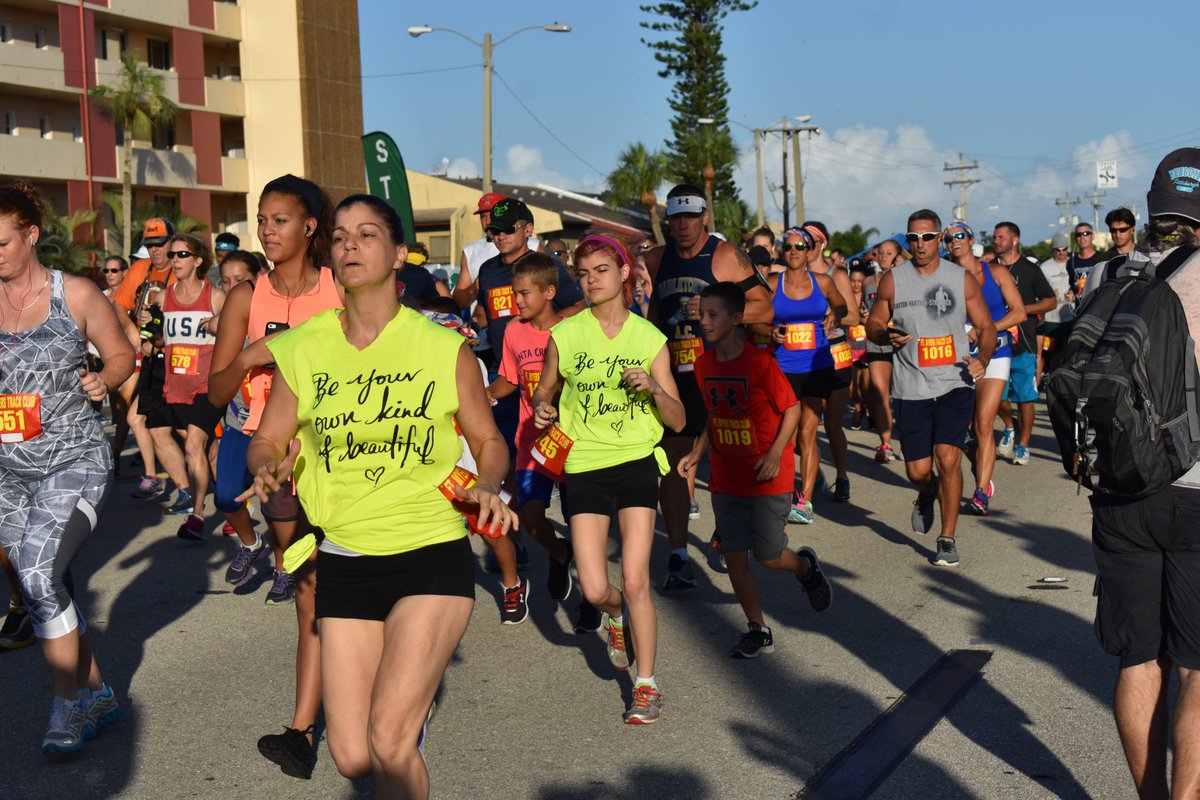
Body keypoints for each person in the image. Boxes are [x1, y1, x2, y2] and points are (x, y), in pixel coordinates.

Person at [242, 192, 517, 797]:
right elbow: (266, 440)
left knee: (389, 738)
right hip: (344, 555)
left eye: (366, 235)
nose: (348, 246)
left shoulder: (442, 347)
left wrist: (490, 485)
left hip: (429, 550)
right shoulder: (303, 347)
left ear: (398, 255)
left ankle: (404, 738)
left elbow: (488, 441)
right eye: (339, 237)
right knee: (353, 756)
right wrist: (266, 469)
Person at [208, 174, 340, 778]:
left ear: (309, 227)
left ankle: (360, 694)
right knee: (309, 589)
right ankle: (303, 729)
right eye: (261, 219)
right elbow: (215, 391)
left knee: (358, 582)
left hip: (344, 457)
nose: (266, 230)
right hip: (274, 465)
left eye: (279, 219)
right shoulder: (245, 298)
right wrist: (252, 356)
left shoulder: (343, 287)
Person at [0, 180, 135, 751]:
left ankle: (67, 709)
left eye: (1, 242)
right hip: (9, 466)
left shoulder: (74, 294)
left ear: (29, 236)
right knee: (44, 586)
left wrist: (101, 378)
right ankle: (99, 694)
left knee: (36, 575)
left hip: (74, 458)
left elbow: (124, 352)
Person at [1084, 147, 1200, 799]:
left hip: (1122, 490)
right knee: (1198, 668)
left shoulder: (1111, 276)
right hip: (1195, 491)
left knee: (1139, 659)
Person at [532, 233, 685, 724]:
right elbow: (544, 389)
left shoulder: (649, 338)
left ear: (624, 274)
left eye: (601, 270)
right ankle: (615, 618)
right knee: (596, 589)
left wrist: (655, 387)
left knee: (636, 579)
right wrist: (542, 407)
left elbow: (679, 420)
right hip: (584, 466)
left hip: (638, 460)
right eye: (584, 272)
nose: (591, 280)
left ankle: (646, 685)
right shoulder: (566, 334)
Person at [679, 282, 832, 659]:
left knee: (767, 555)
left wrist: (775, 452)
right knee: (734, 555)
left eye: (713, 315)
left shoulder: (761, 364)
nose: (705, 322)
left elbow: (792, 409)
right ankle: (757, 628)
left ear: (736, 318)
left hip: (768, 476)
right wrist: (697, 452)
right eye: (702, 315)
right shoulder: (703, 364)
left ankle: (804, 568)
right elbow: (715, 417)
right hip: (726, 476)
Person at [645, 183, 772, 590]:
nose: (682, 226)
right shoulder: (657, 258)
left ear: (704, 217)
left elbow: (765, 307)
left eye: (690, 217)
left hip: (720, 371)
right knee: (677, 460)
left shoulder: (725, 256)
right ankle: (679, 555)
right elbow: (651, 316)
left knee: (728, 460)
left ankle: (726, 531)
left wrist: (716, 311)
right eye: (675, 218)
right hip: (675, 375)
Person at [865, 210, 995, 566]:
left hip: (954, 383)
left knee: (948, 458)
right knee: (918, 471)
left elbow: (986, 327)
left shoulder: (961, 278)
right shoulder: (893, 280)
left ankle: (947, 537)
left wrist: (981, 357)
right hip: (910, 387)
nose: (919, 244)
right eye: (913, 238)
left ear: (939, 238)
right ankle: (926, 493)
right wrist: (883, 334)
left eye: (926, 237)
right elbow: (873, 323)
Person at [487, 252, 575, 617]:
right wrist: (486, 395)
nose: (517, 301)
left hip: (573, 443)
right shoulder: (512, 331)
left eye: (524, 294)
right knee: (533, 516)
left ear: (550, 291)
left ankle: (592, 596)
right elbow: (510, 377)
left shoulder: (572, 330)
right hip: (531, 442)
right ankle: (558, 553)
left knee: (582, 521)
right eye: (514, 293)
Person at [944, 222, 1026, 516]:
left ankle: (980, 491)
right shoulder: (946, 277)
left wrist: (984, 329)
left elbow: (1019, 312)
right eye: (948, 238)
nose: (954, 241)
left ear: (970, 239)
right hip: (960, 358)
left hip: (997, 352)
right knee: (965, 430)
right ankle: (981, 468)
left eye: (959, 236)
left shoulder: (997, 272)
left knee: (982, 423)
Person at [769, 227, 848, 524]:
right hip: (782, 366)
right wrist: (769, 330)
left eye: (800, 246)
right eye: (788, 246)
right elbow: (756, 317)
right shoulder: (773, 283)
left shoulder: (823, 281)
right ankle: (787, 491)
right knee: (786, 437)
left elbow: (840, 303)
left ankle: (805, 501)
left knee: (808, 432)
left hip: (816, 365)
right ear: (782, 250)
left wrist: (834, 313)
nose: (794, 251)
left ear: (809, 250)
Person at [156, 233, 226, 539]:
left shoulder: (216, 297)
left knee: (193, 446)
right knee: (207, 451)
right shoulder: (163, 298)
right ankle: (235, 505)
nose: (175, 260)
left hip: (206, 385)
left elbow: (231, 339)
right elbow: (162, 341)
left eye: (182, 255)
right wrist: (150, 334)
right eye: (172, 255)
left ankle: (197, 517)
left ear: (198, 260)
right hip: (177, 387)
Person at [210, 251, 274, 582]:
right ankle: (250, 544)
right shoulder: (224, 321)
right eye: (226, 281)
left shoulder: (275, 312)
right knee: (225, 496)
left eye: (240, 280)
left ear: (258, 278)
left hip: (276, 424)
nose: (233, 288)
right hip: (238, 420)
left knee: (278, 507)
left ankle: (286, 569)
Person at [803, 220, 860, 503]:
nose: (806, 244)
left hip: (836, 351)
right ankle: (813, 477)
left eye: (812, 239)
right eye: (803, 239)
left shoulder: (835, 274)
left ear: (823, 243)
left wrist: (831, 314)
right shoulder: (794, 275)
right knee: (805, 426)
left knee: (833, 422)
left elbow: (853, 317)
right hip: (804, 354)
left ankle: (842, 476)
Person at [991, 222, 1056, 466]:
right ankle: (1009, 426)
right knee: (997, 398)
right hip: (996, 345)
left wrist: (1023, 310)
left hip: (1024, 342)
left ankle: (1024, 444)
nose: (996, 240)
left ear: (1014, 240)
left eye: (1001, 236)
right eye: (995, 236)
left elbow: (1050, 301)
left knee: (1025, 398)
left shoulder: (1029, 270)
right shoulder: (989, 270)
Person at [451, 193, 540, 310]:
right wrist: (475, 287)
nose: (487, 221)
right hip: (488, 326)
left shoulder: (531, 244)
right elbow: (458, 302)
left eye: (491, 215)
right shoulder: (470, 251)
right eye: (483, 216)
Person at [864, 239, 906, 462]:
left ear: (897, 255)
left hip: (901, 343)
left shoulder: (906, 281)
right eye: (879, 253)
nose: (883, 257)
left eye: (888, 253)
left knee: (902, 394)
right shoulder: (869, 282)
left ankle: (908, 440)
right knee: (880, 392)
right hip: (876, 342)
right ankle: (886, 443)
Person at [1039, 233, 1076, 379]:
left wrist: (1074, 292)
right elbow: (1039, 291)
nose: (1061, 253)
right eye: (1057, 250)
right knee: (1049, 351)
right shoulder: (1045, 267)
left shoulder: (1073, 263)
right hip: (1051, 319)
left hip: (1070, 315)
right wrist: (1048, 294)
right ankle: (1050, 375)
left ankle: (1065, 377)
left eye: (1064, 249)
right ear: (1053, 250)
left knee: (1068, 350)